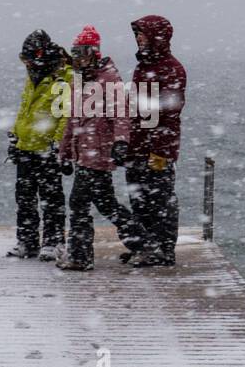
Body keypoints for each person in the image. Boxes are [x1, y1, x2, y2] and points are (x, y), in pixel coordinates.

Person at [56, 26, 142, 271]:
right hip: (85, 153)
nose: (78, 58)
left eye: (81, 52)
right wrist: (64, 153)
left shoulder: (108, 78)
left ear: (94, 52)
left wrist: (121, 142)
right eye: (75, 53)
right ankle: (142, 242)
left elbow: (121, 114)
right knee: (106, 203)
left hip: (98, 153)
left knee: (79, 203)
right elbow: (72, 120)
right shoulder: (80, 80)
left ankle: (80, 256)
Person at [124, 15, 186, 267]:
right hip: (137, 145)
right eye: (137, 34)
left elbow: (170, 114)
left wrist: (160, 150)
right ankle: (145, 245)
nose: (138, 38)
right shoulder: (143, 66)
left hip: (156, 147)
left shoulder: (171, 68)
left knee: (160, 200)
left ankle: (163, 248)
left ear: (156, 37)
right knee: (139, 199)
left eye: (143, 34)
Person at [7, 30, 72, 260]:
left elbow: (65, 115)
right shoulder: (34, 74)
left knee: (51, 198)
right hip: (26, 146)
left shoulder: (62, 77)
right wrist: (16, 137)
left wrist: (58, 145)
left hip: (47, 149)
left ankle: (53, 241)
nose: (25, 64)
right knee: (24, 197)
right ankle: (27, 241)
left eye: (27, 59)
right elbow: (25, 109)